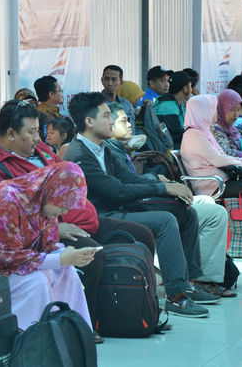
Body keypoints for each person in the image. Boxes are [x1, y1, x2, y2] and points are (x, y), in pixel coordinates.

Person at [0, 100, 154, 342]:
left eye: (39, 131)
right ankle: (85, 324)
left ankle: (140, 310)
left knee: (142, 235)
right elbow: (4, 225)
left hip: (83, 219)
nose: (38, 138)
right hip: (42, 238)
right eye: (32, 132)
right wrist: (55, 229)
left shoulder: (44, 152)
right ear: (12, 134)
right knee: (91, 255)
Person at [65, 92, 218, 318]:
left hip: (121, 207)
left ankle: (188, 283)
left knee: (185, 212)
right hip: (102, 216)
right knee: (165, 221)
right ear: (89, 122)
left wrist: (163, 184)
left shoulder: (103, 147)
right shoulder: (79, 154)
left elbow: (129, 178)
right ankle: (176, 297)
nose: (111, 120)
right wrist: (162, 188)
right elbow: (116, 191)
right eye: (106, 116)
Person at [104, 103, 234, 298]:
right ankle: (188, 286)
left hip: (142, 199)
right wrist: (161, 185)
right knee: (195, 214)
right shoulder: (104, 151)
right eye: (124, 121)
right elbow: (121, 188)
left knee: (193, 211)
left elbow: (129, 181)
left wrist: (158, 182)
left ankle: (192, 280)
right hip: (125, 208)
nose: (131, 125)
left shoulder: (118, 149)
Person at [0, 162, 97, 330]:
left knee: (66, 270)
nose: (64, 212)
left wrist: (66, 254)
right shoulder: (5, 199)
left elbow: (46, 245)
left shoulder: (42, 202)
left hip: (9, 264)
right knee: (38, 281)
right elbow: (5, 256)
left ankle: (73, 331)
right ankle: (32, 338)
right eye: (62, 205)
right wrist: (61, 258)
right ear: (52, 191)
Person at [153, 71, 193, 149]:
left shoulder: (178, 103)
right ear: (185, 89)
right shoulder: (167, 106)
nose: (191, 90)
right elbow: (176, 136)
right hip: (165, 150)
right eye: (190, 86)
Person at [101, 65, 136, 132]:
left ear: (121, 83)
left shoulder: (127, 105)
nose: (110, 84)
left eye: (114, 80)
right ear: (102, 80)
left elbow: (132, 129)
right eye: (107, 79)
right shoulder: (95, 103)